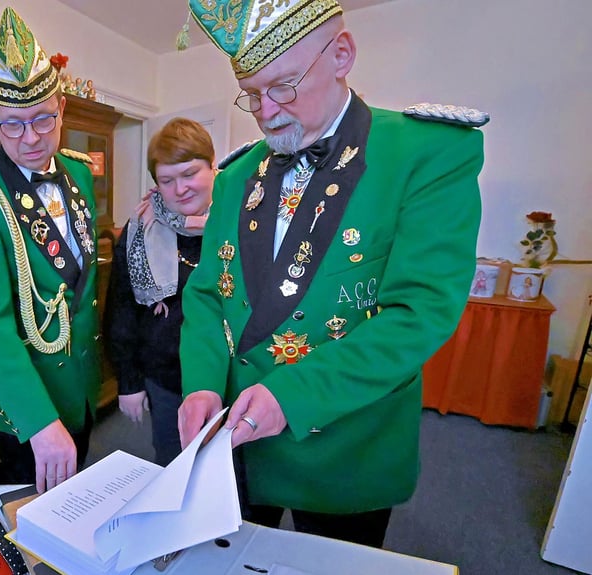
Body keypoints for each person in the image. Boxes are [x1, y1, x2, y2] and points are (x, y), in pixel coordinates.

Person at [178, 0, 485, 548]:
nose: (266, 112)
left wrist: (290, 397)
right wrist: (201, 383)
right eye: (250, 94)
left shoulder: (430, 152)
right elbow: (205, 295)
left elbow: (417, 315)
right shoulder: (234, 176)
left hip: (347, 446)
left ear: (341, 54)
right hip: (237, 445)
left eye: (284, 86)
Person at [0, 7, 101, 494]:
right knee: (23, 519)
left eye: (41, 120)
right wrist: (38, 421)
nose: (30, 138)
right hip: (24, 404)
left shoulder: (78, 173)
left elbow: (78, 281)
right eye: (12, 125)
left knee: (74, 501)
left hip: (80, 385)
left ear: (62, 110)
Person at [104, 118, 214, 466]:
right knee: (174, 466)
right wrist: (129, 382)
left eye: (190, 173)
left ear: (213, 168)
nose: (180, 189)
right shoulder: (141, 230)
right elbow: (121, 311)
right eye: (167, 180)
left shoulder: (240, 222)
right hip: (166, 380)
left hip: (230, 380)